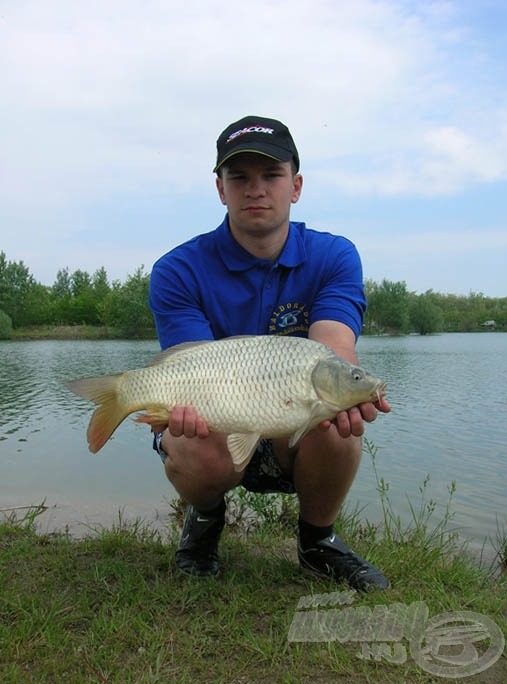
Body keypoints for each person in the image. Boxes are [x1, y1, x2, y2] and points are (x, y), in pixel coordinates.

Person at [149, 115, 391, 591]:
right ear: (220, 189)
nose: (255, 189)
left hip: (291, 429)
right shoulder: (178, 269)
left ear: (295, 186)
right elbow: (188, 364)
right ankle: (205, 520)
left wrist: (352, 386)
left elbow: (334, 345)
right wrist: (167, 409)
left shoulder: (334, 256)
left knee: (338, 421)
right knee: (191, 441)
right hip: (218, 423)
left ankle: (317, 541)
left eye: (271, 176)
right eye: (239, 177)